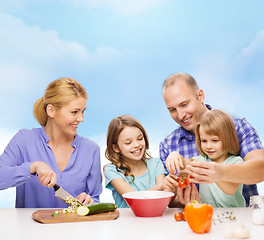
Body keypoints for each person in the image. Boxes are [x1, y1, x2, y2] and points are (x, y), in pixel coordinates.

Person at [160, 73, 264, 206]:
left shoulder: (237, 126)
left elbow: (261, 168)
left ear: (200, 96)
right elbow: (170, 200)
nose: (180, 115)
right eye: (172, 109)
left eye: (184, 104)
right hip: (200, 217)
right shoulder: (168, 145)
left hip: (242, 220)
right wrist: (179, 200)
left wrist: (220, 172)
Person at [0, 78, 102, 208]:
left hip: (76, 227)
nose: (81, 119)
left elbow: (95, 198)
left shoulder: (91, 149)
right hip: (29, 227)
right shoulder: (24, 140)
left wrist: (89, 201)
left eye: (83, 111)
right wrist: (32, 167)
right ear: (51, 111)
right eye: (74, 112)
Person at [166, 109, 245, 207]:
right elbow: (185, 162)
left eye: (215, 140)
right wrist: (174, 155)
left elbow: (231, 189)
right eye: (204, 141)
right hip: (207, 214)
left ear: (228, 138)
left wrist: (214, 173)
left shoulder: (236, 162)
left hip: (233, 215)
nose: (208, 146)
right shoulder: (202, 160)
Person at [104, 115, 167, 208]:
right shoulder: (112, 171)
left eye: (140, 138)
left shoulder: (156, 164)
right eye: (128, 143)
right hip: (127, 221)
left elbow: (164, 197)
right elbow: (134, 198)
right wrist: (161, 186)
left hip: (156, 217)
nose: (137, 145)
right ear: (116, 147)